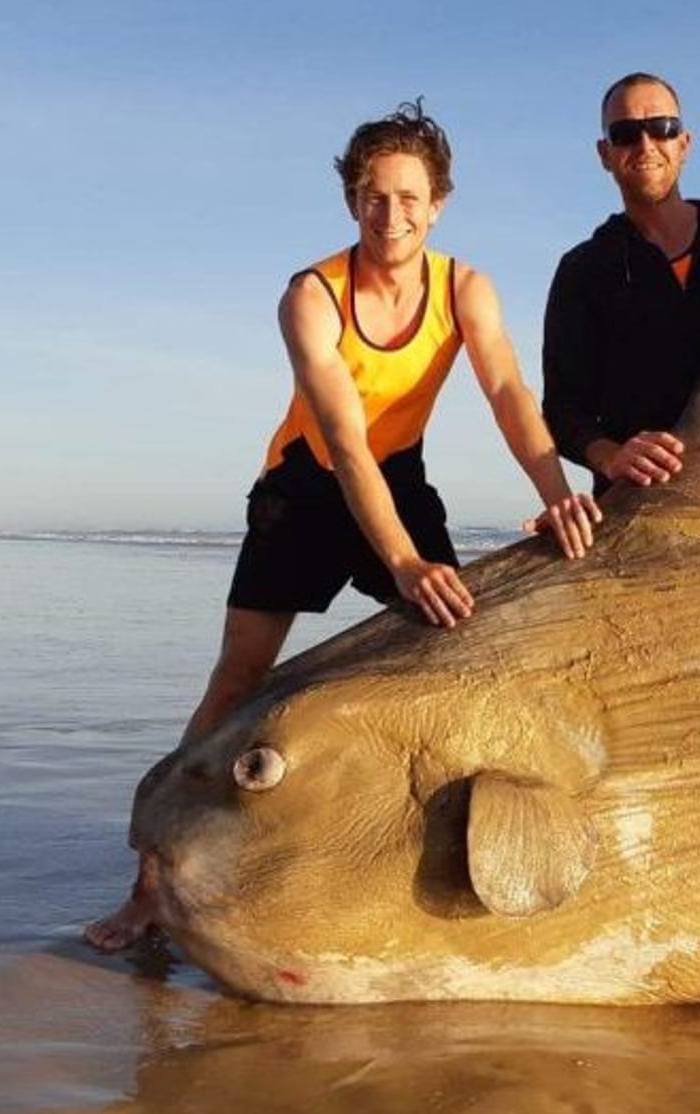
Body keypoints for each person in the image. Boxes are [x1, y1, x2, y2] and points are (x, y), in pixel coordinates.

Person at [85, 100, 600, 952]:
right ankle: (150, 882)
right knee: (240, 676)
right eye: (372, 197)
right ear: (351, 202)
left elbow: (509, 395)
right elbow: (346, 443)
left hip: (397, 475)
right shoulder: (312, 296)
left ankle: (412, 855)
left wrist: (556, 489)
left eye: (407, 198)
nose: (389, 215)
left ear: (437, 204)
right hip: (306, 484)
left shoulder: (465, 287)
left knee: (453, 642)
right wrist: (399, 561)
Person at [542, 72, 700, 495]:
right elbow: (563, 412)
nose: (645, 145)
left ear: (684, 143)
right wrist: (611, 456)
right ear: (605, 153)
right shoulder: (583, 270)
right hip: (643, 505)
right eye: (625, 134)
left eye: (662, 128)